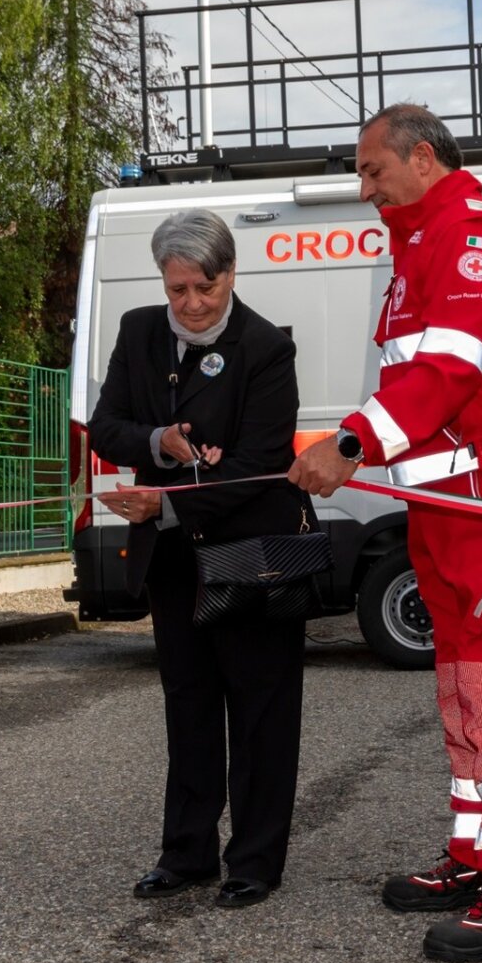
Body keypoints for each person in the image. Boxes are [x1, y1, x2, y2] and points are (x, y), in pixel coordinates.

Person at [288, 104, 482, 963]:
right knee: (466, 678)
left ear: (421, 159)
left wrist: (351, 442)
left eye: (372, 171)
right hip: (455, 499)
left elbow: (453, 366)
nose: (365, 190)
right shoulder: (419, 243)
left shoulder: (470, 229)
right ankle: (477, 854)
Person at [89, 208, 312, 909]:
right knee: (187, 708)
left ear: (230, 274)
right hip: (174, 562)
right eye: (177, 287)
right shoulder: (138, 330)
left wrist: (171, 503)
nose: (189, 303)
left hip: (252, 555)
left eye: (204, 288)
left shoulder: (268, 349)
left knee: (259, 710)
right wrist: (159, 441)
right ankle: (186, 853)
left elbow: (258, 464)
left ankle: (254, 860)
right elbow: (106, 427)